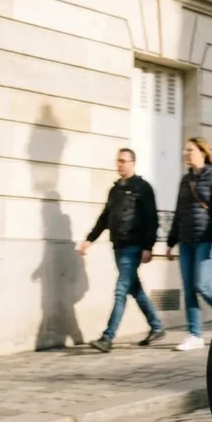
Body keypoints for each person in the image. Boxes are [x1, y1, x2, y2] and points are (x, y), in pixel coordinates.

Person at [79, 148, 163, 353]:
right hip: (118, 246)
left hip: (134, 247)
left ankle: (108, 337)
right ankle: (157, 325)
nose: (120, 165)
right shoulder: (114, 190)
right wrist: (89, 239)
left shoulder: (143, 188)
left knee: (121, 291)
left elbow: (152, 219)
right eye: (118, 161)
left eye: (123, 161)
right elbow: (104, 217)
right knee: (135, 289)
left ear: (133, 163)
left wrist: (147, 247)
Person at [166, 137, 212, 352]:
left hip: (207, 240)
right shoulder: (185, 180)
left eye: (191, 150)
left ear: (202, 152)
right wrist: (170, 241)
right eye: (186, 150)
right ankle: (194, 335)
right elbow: (179, 212)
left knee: (201, 285)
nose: (187, 153)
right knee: (189, 289)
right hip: (186, 241)